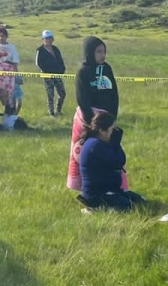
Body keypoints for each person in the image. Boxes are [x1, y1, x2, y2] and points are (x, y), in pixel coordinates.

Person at [69, 36, 120, 191]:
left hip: (107, 120)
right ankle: (85, 187)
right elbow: (82, 99)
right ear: (89, 52)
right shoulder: (83, 72)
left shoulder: (107, 69)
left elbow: (114, 94)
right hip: (88, 119)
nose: (102, 55)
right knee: (84, 152)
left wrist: (112, 118)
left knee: (109, 152)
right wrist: (92, 122)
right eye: (99, 51)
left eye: (104, 51)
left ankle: (112, 185)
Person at [77, 109, 144, 212]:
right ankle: (94, 210)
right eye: (112, 129)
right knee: (127, 207)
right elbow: (118, 162)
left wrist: (115, 144)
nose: (114, 132)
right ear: (102, 131)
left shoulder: (101, 143)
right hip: (97, 194)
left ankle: (102, 205)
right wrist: (116, 145)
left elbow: (121, 160)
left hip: (110, 189)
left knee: (140, 201)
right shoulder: (96, 145)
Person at [0, 26, 22, 116]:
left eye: (2, 36)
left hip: (9, 73)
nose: (0, 38)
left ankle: (12, 115)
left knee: (13, 97)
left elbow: (15, 63)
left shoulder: (12, 47)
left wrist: (15, 75)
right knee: (2, 96)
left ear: (6, 37)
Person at [36, 29, 67, 117]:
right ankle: (51, 113)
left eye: (49, 38)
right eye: (46, 38)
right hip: (47, 76)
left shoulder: (55, 49)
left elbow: (60, 60)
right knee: (50, 94)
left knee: (62, 93)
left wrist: (62, 69)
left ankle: (58, 110)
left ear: (52, 39)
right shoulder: (40, 50)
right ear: (43, 39)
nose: (48, 40)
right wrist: (46, 72)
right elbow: (38, 63)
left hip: (57, 74)